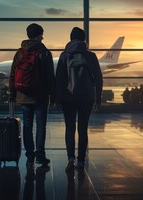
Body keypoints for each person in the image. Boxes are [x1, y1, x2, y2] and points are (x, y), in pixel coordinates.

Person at [55, 27, 103, 172]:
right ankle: (81, 161)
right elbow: (99, 78)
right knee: (83, 129)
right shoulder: (91, 56)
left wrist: (57, 99)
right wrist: (98, 99)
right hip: (87, 97)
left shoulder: (64, 56)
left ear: (70, 39)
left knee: (70, 129)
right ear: (84, 40)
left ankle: (71, 159)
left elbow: (59, 80)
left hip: (68, 97)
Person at [9, 23, 55, 167]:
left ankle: (29, 156)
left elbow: (12, 74)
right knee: (41, 126)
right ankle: (40, 155)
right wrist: (53, 96)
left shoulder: (20, 52)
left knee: (27, 126)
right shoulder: (45, 52)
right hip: (40, 96)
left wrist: (12, 92)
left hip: (23, 95)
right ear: (39, 35)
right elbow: (50, 77)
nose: (43, 37)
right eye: (42, 34)